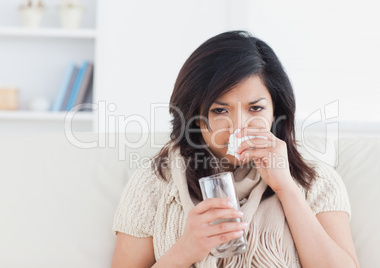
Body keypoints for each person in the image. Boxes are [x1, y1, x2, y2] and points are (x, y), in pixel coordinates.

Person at [111, 30, 360, 268]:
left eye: (256, 108)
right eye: (220, 110)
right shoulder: (154, 184)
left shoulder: (315, 181)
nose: (238, 126)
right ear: (196, 118)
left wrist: (286, 188)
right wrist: (184, 251)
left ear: (275, 113)